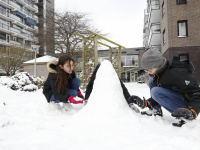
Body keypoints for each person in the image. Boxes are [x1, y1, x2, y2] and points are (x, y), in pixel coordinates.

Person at [131, 50, 200, 120]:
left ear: (157, 64)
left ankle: (184, 116)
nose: (148, 72)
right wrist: (147, 103)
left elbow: (196, 92)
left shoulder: (177, 73)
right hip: (177, 97)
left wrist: (193, 111)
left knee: (155, 91)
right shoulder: (159, 73)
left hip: (188, 105)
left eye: (150, 69)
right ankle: (156, 110)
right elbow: (164, 94)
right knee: (151, 80)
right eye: (146, 70)